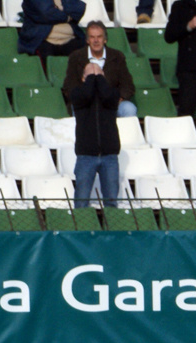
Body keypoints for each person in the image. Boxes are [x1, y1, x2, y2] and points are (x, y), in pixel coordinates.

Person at [65, 22, 128, 208]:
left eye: (99, 75)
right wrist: (92, 76)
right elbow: (83, 94)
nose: (95, 77)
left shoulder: (111, 96)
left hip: (109, 155)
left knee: (111, 203)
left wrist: (98, 77)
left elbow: (109, 94)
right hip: (86, 155)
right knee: (81, 202)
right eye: (90, 76)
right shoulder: (79, 96)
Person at [62, 21, 137, 120]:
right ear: (87, 40)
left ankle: (126, 136)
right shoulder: (76, 57)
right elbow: (70, 85)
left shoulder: (117, 56)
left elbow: (127, 84)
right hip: (86, 103)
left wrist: (118, 98)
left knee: (129, 108)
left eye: (99, 37)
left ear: (105, 39)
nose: (96, 41)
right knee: (77, 107)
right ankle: (84, 135)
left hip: (111, 102)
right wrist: (83, 98)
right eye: (92, 37)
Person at [19, 0, 84, 58]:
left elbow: (80, 8)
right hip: (43, 41)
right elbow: (46, 14)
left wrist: (56, 11)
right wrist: (67, 17)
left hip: (70, 39)